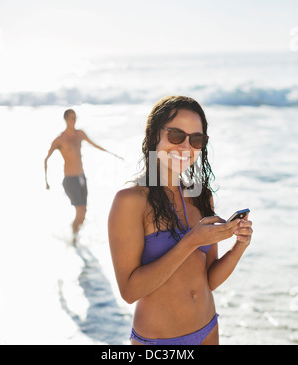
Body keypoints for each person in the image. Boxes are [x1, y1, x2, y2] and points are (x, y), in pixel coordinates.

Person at [108, 96, 253, 345]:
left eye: (196, 139)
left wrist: (239, 245)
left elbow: (208, 280)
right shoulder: (130, 200)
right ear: (155, 135)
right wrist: (191, 241)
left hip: (208, 329)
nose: (186, 147)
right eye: (176, 135)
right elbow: (130, 292)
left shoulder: (201, 197)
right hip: (157, 342)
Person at [45, 109, 123, 242]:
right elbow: (46, 158)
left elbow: (94, 145)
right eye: (71, 118)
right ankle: (73, 238)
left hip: (82, 178)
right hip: (70, 179)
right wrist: (46, 181)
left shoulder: (80, 134)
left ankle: (74, 233)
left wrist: (113, 154)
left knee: (84, 212)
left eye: (75, 117)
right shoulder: (60, 139)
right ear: (65, 119)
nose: (73, 120)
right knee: (80, 211)